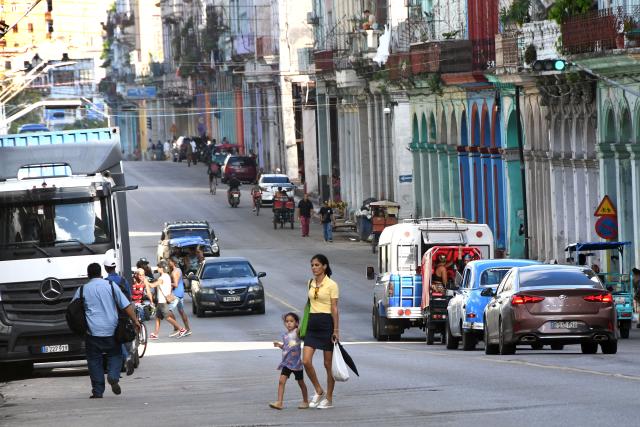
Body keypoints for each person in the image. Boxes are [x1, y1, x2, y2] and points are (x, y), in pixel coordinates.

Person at [72, 263, 140, 398]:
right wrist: (135, 321)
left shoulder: (82, 290)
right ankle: (113, 376)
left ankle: (98, 391)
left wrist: (78, 327)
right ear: (101, 274)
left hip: (92, 332)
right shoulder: (110, 286)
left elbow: (72, 309)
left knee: (94, 360)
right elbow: (126, 305)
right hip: (112, 330)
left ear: (88, 275)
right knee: (115, 355)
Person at [302, 254, 339, 409]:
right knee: (306, 361)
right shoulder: (310, 283)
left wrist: (336, 329)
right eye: (312, 265)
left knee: (327, 364)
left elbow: (334, 308)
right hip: (312, 323)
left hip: (326, 324)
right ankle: (318, 389)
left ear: (324, 266)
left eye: (317, 265)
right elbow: (309, 305)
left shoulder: (332, 285)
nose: (314, 268)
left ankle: (329, 398)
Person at [269, 312, 309, 410]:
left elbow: (303, 328)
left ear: (296, 323)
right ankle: (279, 402)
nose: (289, 323)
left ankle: (305, 401)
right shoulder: (285, 335)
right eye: (286, 321)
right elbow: (287, 347)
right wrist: (280, 345)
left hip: (296, 364)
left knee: (301, 383)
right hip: (286, 363)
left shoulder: (297, 332)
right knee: (281, 381)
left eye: (291, 321)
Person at [103, 255, 134, 375]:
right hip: (124, 313)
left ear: (105, 268)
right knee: (123, 337)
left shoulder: (105, 282)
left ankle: (123, 359)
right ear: (115, 267)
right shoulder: (123, 280)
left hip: (111, 314)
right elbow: (129, 298)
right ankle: (127, 356)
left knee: (115, 339)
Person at [147, 261, 185, 339]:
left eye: (158, 267)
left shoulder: (162, 278)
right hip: (162, 301)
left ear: (162, 268)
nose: (157, 268)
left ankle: (181, 329)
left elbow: (152, 285)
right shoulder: (167, 276)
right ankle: (155, 334)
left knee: (167, 317)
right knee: (158, 318)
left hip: (162, 302)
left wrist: (145, 281)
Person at [167, 256, 192, 337]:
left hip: (176, 294)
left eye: (169, 262)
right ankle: (187, 329)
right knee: (181, 311)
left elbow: (176, 284)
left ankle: (177, 328)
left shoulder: (174, 272)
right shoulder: (179, 270)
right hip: (181, 293)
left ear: (172, 262)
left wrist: (166, 282)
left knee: (168, 310)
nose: (168, 263)